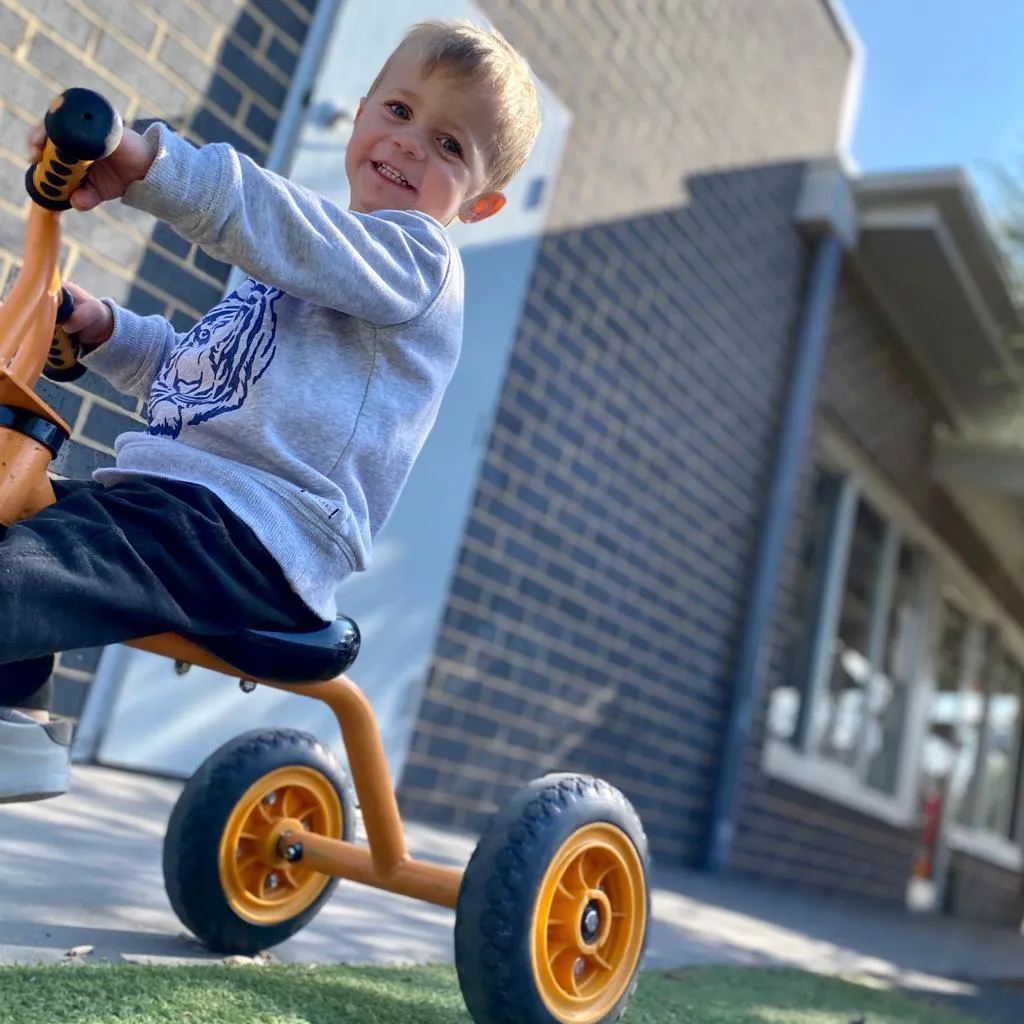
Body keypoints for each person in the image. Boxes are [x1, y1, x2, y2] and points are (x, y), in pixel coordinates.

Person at [0, 19, 541, 803]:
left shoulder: (415, 264)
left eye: (450, 145)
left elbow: (279, 226)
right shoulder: (318, 268)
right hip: (185, 511)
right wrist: (108, 334)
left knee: (38, 563)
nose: (411, 144)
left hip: (255, 536)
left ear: (481, 207)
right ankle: (13, 721)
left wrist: (154, 165)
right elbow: (202, 380)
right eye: (397, 111)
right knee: (23, 519)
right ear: (358, 116)